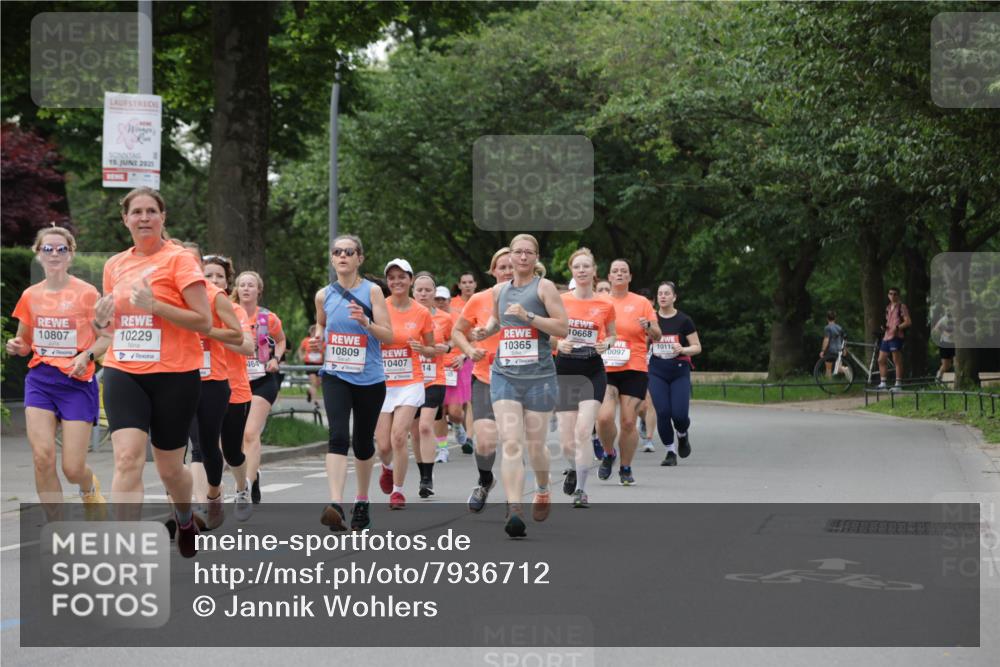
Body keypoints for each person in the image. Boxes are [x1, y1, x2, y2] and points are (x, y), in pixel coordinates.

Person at [95, 187, 212, 557]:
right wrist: (101, 323)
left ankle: (184, 516)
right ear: (125, 219)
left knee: (169, 470)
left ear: (162, 218)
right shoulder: (114, 265)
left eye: (151, 211)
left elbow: (203, 320)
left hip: (174, 375)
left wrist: (157, 305)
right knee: (127, 457)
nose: (144, 218)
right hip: (123, 369)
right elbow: (112, 325)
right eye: (136, 212)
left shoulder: (180, 261)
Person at [7, 225, 108, 519]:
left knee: (73, 468)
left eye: (61, 249)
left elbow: (105, 337)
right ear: (38, 255)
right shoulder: (30, 296)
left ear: (71, 255)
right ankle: (57, 523)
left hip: (76, 382)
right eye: (47, 249)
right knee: (42, 457)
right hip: (41, 380)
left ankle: (89, 488)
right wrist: (16, 346)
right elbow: (24, 342)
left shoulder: (87, 293)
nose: (54, 254)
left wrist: (85, 355)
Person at [476, 234, 567, 537]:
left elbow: (562, 327)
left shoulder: (544, 287)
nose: (523, 257)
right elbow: (496, 323)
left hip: (539, 376)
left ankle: (542, 487)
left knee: (535, 445)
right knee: (511, 443)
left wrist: (529, 316)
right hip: (505, 375)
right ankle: (515, 508)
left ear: (536, 257)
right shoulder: (499, 290)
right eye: (518, 252)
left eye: (529, 252)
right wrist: (482, 331)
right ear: (510, 257)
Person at [315, 234, 393, 530]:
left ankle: (361, 499)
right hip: (335, 374)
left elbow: (388, 334)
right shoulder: (323, 295)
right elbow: (321, 324)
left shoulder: (373, 292)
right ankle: (335, 503)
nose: (343, 256)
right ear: (333, 259)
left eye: (349, 252)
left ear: (360, 258)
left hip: (369, 378)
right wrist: (316, 337)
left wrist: (366, 323)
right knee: (337, 436)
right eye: (338, 252)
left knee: (362, 442)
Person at [178, 243, 246, 529]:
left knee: (211, 447)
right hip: (178, 378)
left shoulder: (215, 296)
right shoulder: (169, 295)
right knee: (192, 447)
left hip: (215, 381)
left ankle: (215, 494)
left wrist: (207, 329)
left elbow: (239, 336)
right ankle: (195, 508)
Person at [452, 247, 514, 514]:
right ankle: (485, 481)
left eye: (512, 265)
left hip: (521, 380)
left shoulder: (537, 297)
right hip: (486, 378)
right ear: (493, 271)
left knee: (513, 442)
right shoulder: (479, 299)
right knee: (485, 442)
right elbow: (457, 332)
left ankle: (515, 505)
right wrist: (469, 350)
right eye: (502, 267)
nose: (508, 271)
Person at [552, 248, 616, 509]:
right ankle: (573, 469)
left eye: (586, 266)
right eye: (577, 267)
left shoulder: (605, 303)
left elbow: (612, 334)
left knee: (582, 431)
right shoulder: (559, 301)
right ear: (572, 271)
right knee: (567, 441)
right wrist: (559, 342)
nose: (581, 271)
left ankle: (582, 490)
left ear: (593, 271)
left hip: (592, 371)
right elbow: (546, 335)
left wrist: (607, 345)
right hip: (565, 371)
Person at [374, 259, 435, 510]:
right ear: (387, 282)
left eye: (402, 277)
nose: (396, 282)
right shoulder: (379, 307)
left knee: (399, 436)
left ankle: (398, 491)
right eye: (392, 278)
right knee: (384, 444)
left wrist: (424, 349)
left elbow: (431, 350)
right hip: (381, 381)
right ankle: (387, 468)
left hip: (410, 381)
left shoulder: (421, 312)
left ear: (410, 280)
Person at [596, 259, 661, 486]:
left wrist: (649, 327)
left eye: (624, 271)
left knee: (628, 422)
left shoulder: (642, 302)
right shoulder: (600, 301)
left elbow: (658, 334)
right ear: (609, 277)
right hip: (605, 367)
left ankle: (625, 467)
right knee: (604, 418)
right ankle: (608, 453)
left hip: (634, 367)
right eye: (615, 271)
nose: (620, 274)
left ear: (630, 277)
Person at [203, 254, 256, 518]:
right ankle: (208, 499)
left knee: (233, 451)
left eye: (219, 277)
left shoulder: (234, 311)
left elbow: (248, 346)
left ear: (227, 283)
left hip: (234, 389)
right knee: (202, 448)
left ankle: (241, 487)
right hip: (200, 387)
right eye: (208, 275)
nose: (213, 281)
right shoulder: (190, 309)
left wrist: (214, 334)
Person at [234, 270, 286, 503]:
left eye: (250, 285)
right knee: (233, 440)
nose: (246, 288)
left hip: (263, 379)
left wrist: (276, 358)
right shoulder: (230, 314)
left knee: (250, 433)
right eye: (242, 285)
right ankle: (251, 474)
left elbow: (282, 340)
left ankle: (248, 484)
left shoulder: (267, 318)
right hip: (235, 379)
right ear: (237, 289)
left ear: (258, 290)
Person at [648, 281, 701, 467]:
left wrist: (683, 349)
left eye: (666, 293)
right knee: (662, 412)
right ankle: (670, 451)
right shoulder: (651, 320)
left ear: (674, 297)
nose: (662, 296)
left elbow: (697, 347)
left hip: (679, 370)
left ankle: (682, 435)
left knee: (679, 415)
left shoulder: (684, 320)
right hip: (656, 370)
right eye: (660, 293)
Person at [408, 272, 452, 495]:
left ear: (435, 292)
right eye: (419, 290)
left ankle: (427, 479)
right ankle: (423, 473)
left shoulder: (444, 318)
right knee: (415, 432)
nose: (423, 294)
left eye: (428, 290)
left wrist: (449, 348)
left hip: (435, 378)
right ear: (412, 291)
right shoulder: (404, 315)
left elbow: (456, 337)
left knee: (426, 426)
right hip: (409, 380)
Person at [437, 286, 472, 454]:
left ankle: (458, 425)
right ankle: (442, 449)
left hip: (456, 367)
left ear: (449, 300)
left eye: (442, 299)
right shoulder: (428, 317)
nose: (440, 302)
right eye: (437, 299)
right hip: (436, 369)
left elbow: (471, 340)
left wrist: (463, 356)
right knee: (440, 411)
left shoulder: (458, 317)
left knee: (455, 412)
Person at [878, 287, 911, 391]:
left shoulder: (902, 307)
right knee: (881, 359)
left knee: (896, 360)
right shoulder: (887, 307)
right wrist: (885, 327)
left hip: (896, 336)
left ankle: (898, 384)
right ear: (888, 295)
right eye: (891, 294)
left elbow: (908, 322)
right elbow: (889, 321)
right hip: (887, 336)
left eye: (895, 294)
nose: (892, 296)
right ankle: (883, 383)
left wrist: (897, 327)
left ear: (898, 295)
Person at [298, 324, 324, 406]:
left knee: (318, 383)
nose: (314, 332)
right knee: (314, 382)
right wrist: (301, 357)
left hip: (319, 364)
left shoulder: (321, 341)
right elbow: (300, 350)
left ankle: (309, 392)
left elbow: (325, 351)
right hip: (309, 363)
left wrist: (324, 358)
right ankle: (315, 401)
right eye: (313, 331)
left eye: (316, 331)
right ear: (310, 332)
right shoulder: (306, 340)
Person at [819, 310, 845, 379]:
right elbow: (843, 339)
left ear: (827, 318)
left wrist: (823, 350)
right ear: (835, 318)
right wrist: (844, 349)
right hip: (839, 350)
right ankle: (848, 372)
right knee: (840, 369)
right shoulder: (839, 328)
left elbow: (826, 339)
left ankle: (828, 386)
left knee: (828, 369)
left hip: (830, 351)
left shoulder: (827, 328)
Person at [932, 308, 956, 383]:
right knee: (946, 365)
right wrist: (944, 333)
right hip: (945, 343)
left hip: (954, 344)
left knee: (956, 362)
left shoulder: (958, 319)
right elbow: (936, 328)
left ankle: (958, 379)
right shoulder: (943, 319)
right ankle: (938, 378)